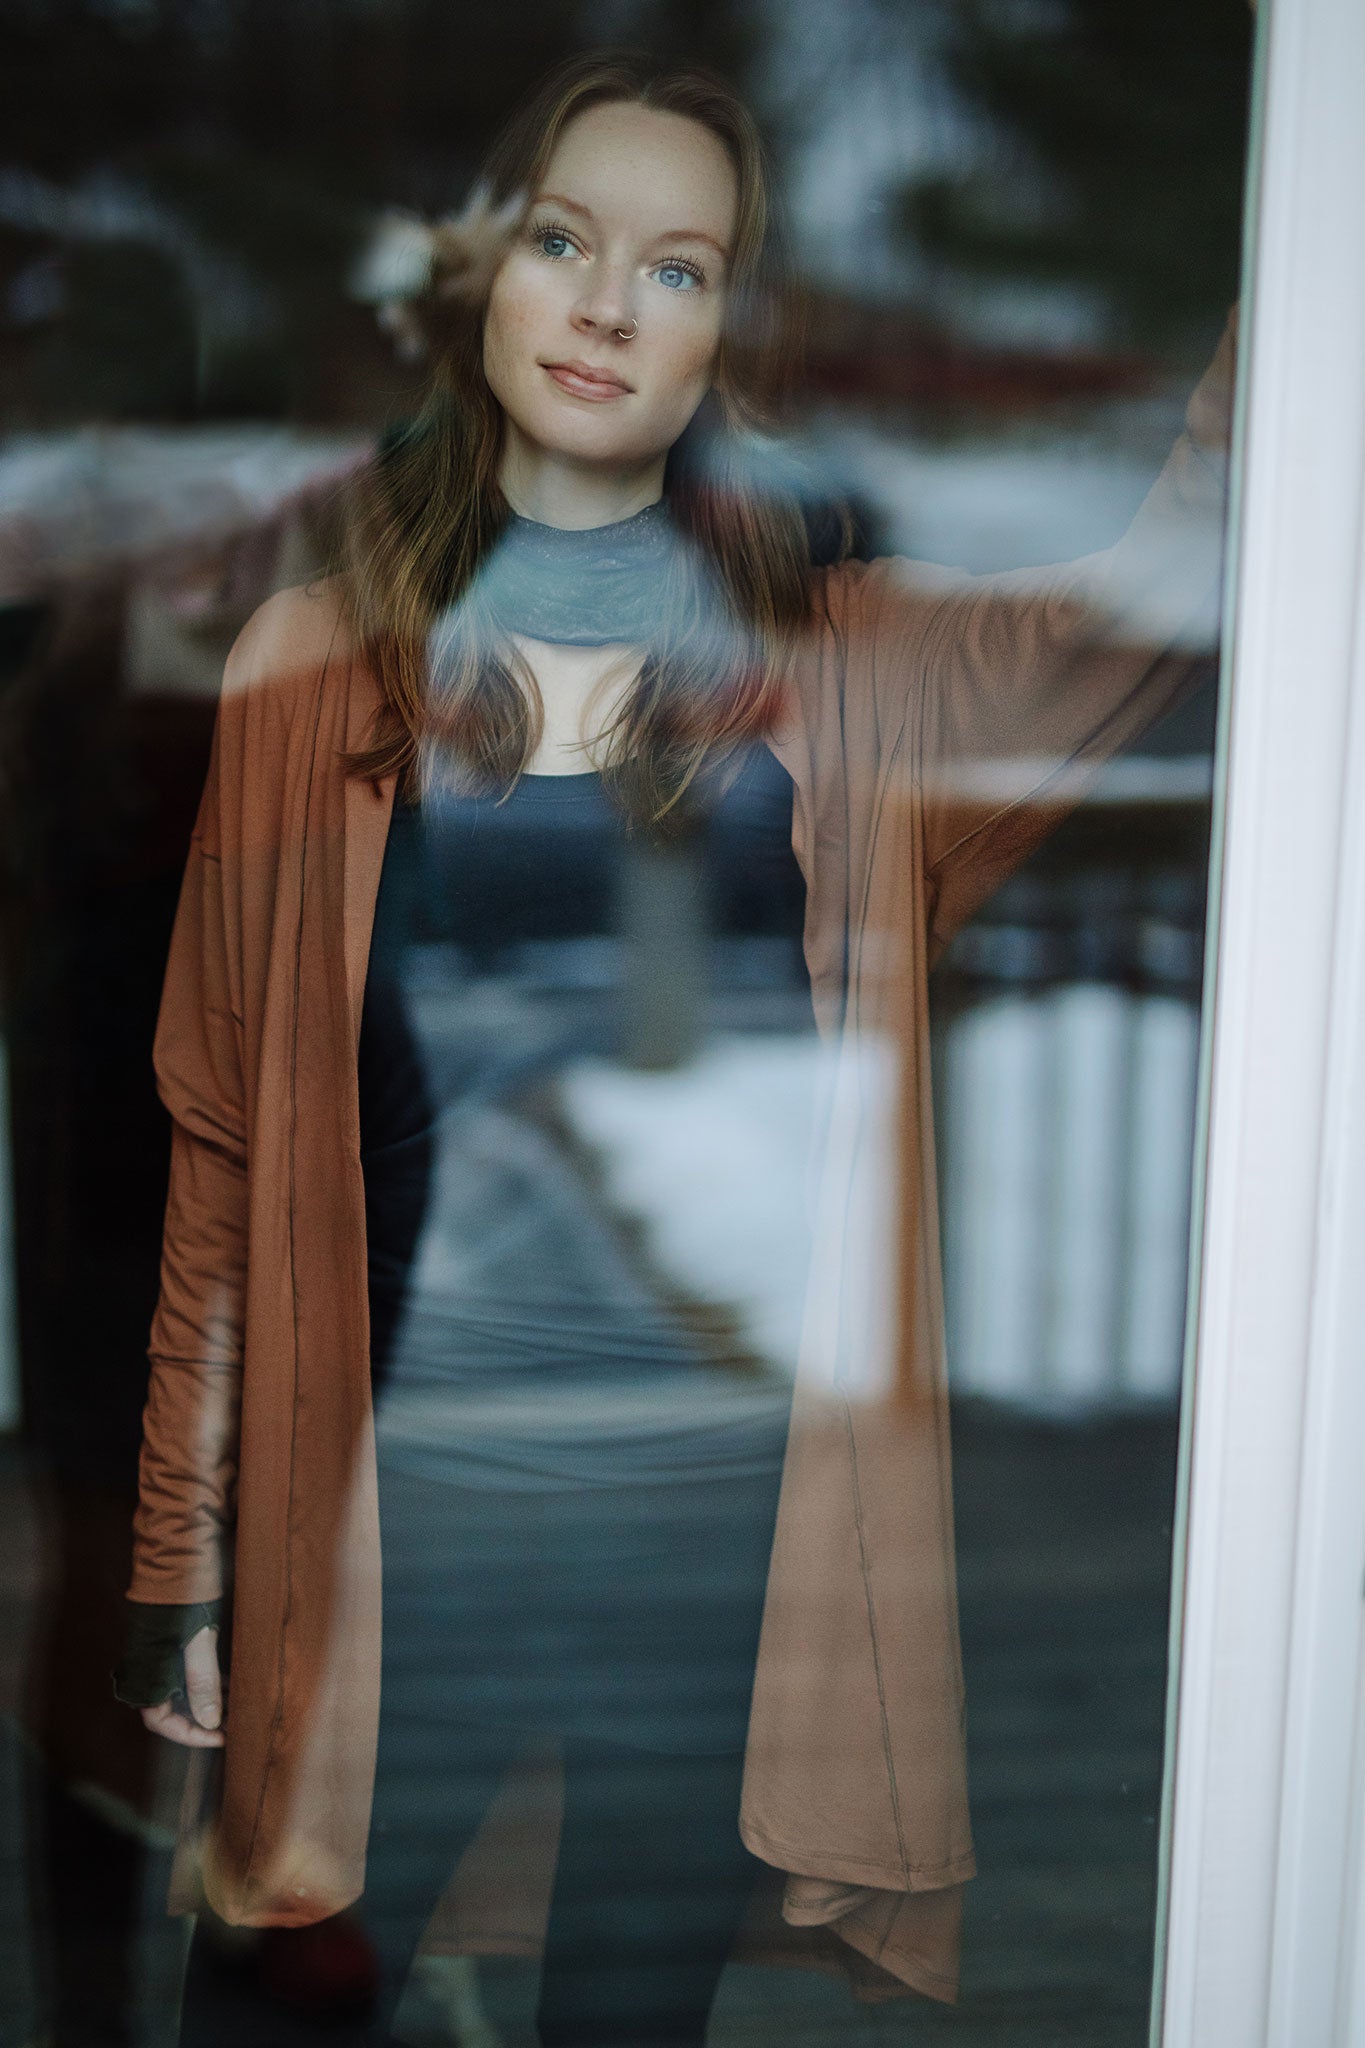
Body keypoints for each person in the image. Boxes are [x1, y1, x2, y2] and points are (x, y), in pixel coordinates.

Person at [110, 43, 1238, 2046]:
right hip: (393, 1525)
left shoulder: (850, 661)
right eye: (565, 241)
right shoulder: (315, 665)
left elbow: (1163, 575)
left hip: (717, 1538)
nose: (610, 307)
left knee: (628, 2024)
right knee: (270, 2011)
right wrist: (174, 1554)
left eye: (679, 267)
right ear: (486, 277)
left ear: (731, 330)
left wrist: (1289, 271)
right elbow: (224, 1139)